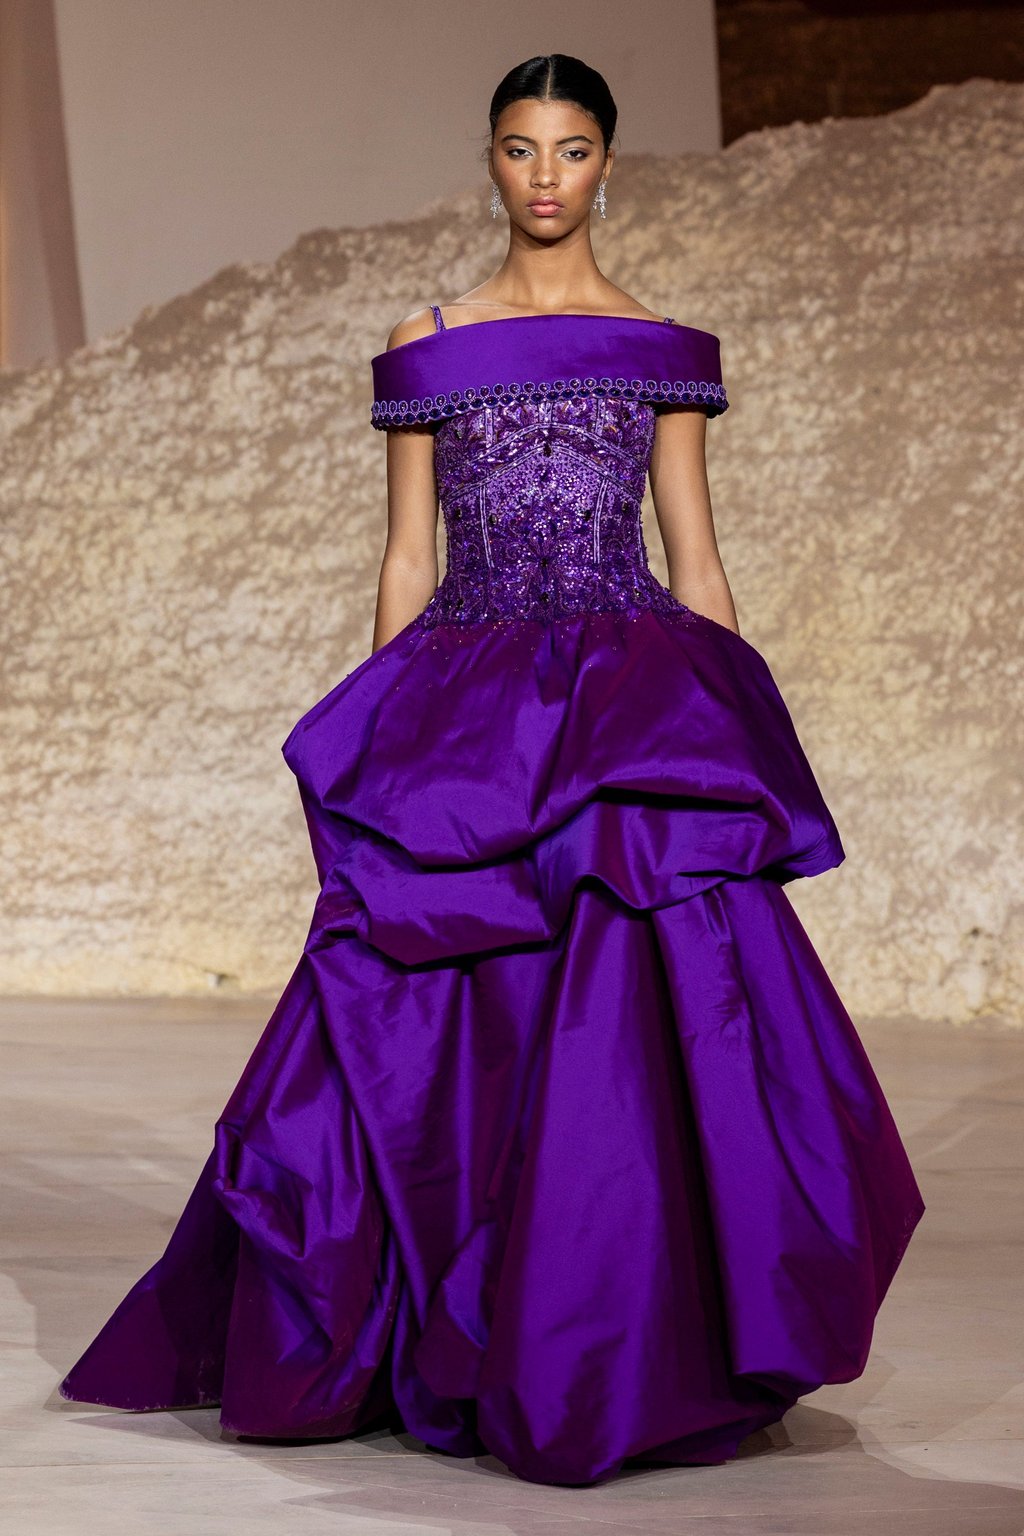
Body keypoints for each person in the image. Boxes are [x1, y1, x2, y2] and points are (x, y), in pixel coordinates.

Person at [59, 54, 925, 1488]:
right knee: (437, 1012)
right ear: (491, 160)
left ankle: (607, 1339)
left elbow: (694, 557)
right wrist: (377, 746)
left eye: (572, 150)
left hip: (629, 704)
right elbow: (408, 554)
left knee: (630, 1027)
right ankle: (432, 1329)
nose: (544, 176)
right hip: (465, 696)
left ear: (605, 164)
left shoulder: (660, 344)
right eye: (520, 149)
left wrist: (736, 746)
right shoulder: (431, 341)